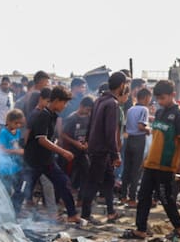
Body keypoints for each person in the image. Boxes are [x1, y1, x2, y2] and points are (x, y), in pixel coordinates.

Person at [131, 80, 180, 239]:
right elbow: (155, 138)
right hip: (151, 163)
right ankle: (141, 229)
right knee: (143, 196)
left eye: (163, 98)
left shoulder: (179, 114)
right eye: (158, 99)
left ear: (172, 95)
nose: (160, 102)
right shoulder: (159, 112)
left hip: (166, 165)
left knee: (166, 199)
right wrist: (147, 157)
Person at [22, 85, 79, 221]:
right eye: (64, 102)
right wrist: (63, 151)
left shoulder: (53, 116)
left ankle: (72, 215)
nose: (65, 106)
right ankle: (11, 213)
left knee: (63, 182)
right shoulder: (43, 115)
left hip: (46, 160)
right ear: (57, 100)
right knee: (24, 189)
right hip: (34, 161)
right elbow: (42, 140)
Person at [81, 71, 128, 224]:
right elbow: (110, 132)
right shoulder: (112, 104)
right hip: (102, 150)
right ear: (121, 86)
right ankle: (85, 215)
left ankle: (111, 212)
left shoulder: (100, 100)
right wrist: (116, 154)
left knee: (108, 181)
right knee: (93, 182)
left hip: (97, 148)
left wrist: (88, 140)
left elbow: (90, 123)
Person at [119, 87, 152, 206]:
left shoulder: (131, 109)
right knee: (136, 170)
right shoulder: (144, 109)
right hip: (138, 140)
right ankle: (132, 198)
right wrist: (149, 130)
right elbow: (141, 126)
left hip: (128, 140)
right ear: (146, 97)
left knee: (127, 169)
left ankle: (123, 196)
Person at [60, 95, 94, 194]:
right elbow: (62, 134)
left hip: (83, 151)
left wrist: (87, 142)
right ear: (81, 106)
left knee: (86, 172)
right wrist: (75, 142)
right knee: (68, 173)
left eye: (90, 110)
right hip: (71, 151)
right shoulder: (72, 118)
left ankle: (81, 197)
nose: (88, 112)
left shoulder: (89, 118)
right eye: (87, 109)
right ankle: (64, 195)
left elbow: (90, 133)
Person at [0, 108, 26, 212]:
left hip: (16, 166)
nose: (18, 126)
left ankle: (15, 210)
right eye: (16, 123)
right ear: (8, 121)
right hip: (6, 168)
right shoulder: (4, 133)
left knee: (20, 189)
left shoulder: (17, 131)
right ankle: (3, 211)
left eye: (20, 123)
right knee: (6, 191)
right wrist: (16, 151)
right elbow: (1, 150)